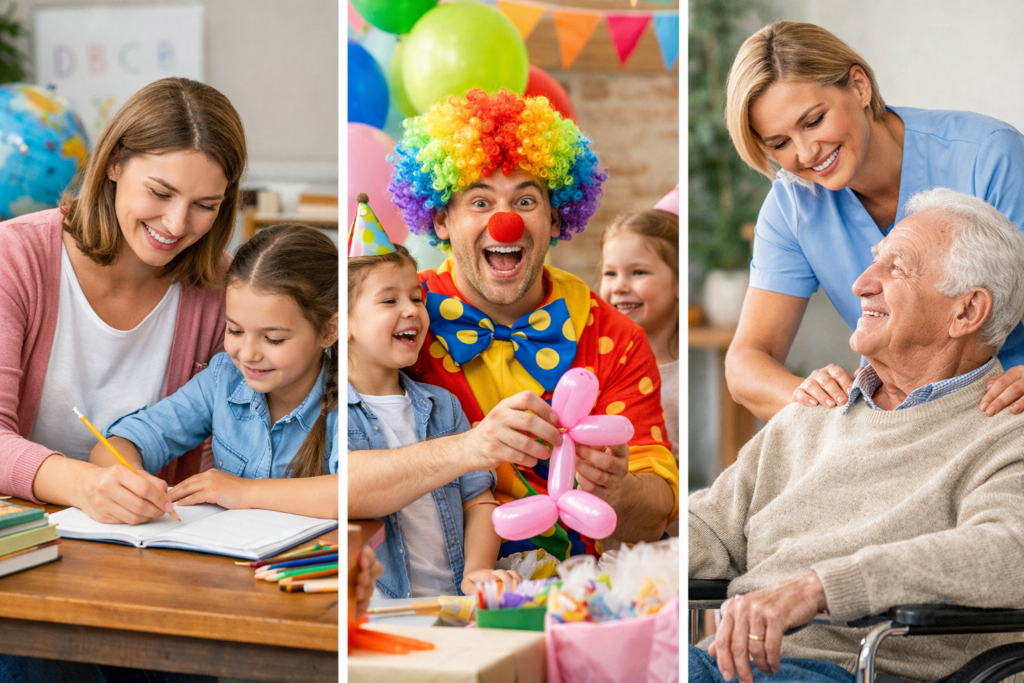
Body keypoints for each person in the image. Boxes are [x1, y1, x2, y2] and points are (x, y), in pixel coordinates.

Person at [689, 189, 1024, 683]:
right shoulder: (813, 412)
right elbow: (708, 529)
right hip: (723, 664)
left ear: (967, 311)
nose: (861, 284)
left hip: (857, 670)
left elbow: (1008, 552)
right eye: (873, 261)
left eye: (897, 268)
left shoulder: (1007, 429)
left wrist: (822, 587)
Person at [348, 88, 678, 560]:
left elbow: (656, 514)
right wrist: (469, 448)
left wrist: (617, 490)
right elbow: (337, 476)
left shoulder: (613, 336)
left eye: (525, 201)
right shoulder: (400, 318)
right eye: (480, 203)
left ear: (555, 218)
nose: (506, 223)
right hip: (434, 581)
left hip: (571, 584)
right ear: (441, 221)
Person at [721, 21, 1024, 422]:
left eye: (813, 121)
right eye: (780, 143)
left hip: (1003, 409)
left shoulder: (989, 157)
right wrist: (811, 400)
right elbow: (745, 364)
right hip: (891, 419)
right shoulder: (792, 205)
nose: (807, 153)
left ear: (859, 87)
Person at [0, 77, 246, 526]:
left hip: (150, 543)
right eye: (160, 193)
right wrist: (84, 485)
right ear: (114, 162)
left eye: (205, 205)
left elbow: (226, 453)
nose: (176, 224)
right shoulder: (14, 257)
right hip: (22, 538)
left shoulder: (223, 290)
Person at [89, 224, 338, 520]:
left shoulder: (352, 399)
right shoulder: (223, 379)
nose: (247, 354)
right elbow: (118, 445)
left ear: (328, 331)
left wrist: (245, 492)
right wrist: (132, 483)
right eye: (234, 330)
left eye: (273, 339)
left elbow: (355, 491)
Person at [347, 208, 518, 598]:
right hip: (378, 610)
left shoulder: (443, 406)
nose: (411, 309)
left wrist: (477, 570)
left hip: (450, 603)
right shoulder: (333, 412)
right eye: (389, 300)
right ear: (344, 324)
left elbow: (478, 497)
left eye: (416, 298)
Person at [598, 188, 680, 462]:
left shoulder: (683, 376)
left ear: (679, 283)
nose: (619, 287)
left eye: (638, 272)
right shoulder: (598, 364)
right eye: (610, 273)